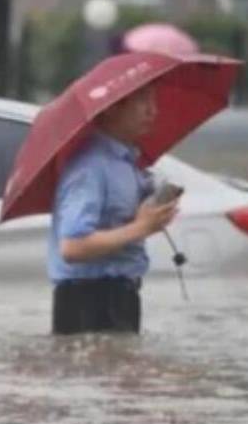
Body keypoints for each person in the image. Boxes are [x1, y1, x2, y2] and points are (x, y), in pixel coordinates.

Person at [47, 84, 179, 334]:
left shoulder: (127, 163)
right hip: (88, 300)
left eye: (153, 99)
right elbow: (72, 247)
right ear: (110, 109)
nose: (153, 110)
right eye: (141, 100)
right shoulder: (89, 167)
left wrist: (150, 212)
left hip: (121, 295)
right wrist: (141, 227)